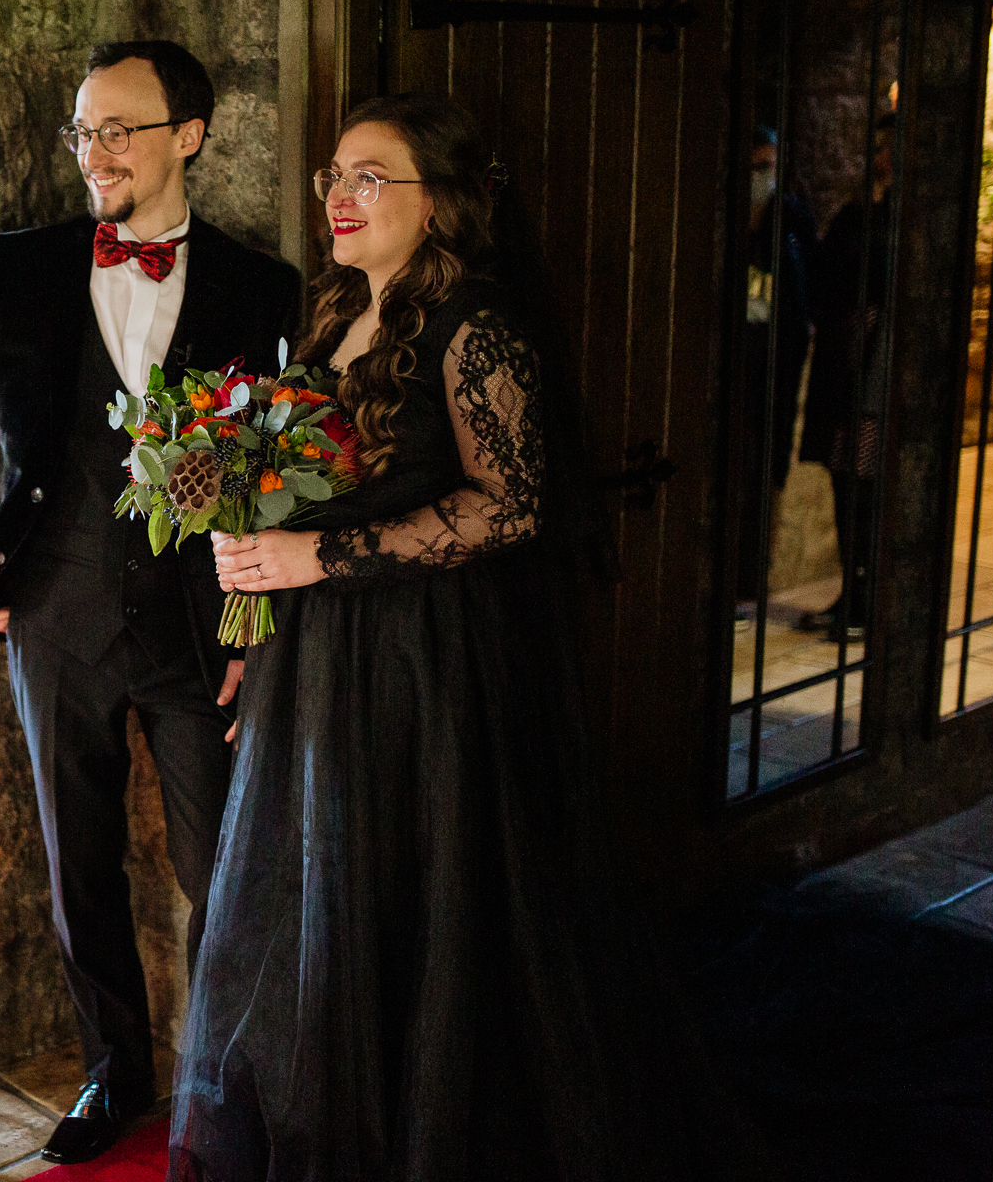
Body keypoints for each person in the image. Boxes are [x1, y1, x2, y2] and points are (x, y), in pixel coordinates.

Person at [166, 94, 757, 1181]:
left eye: (368, 177)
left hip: (426, 667)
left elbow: (512, 504)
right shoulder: (334, 315)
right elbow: (299, 494)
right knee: (322, 902)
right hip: (319, 662)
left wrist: (315, 562)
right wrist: (261, 608)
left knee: (421, 902)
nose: (339, 197)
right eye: (332, 176)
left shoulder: (477, 325)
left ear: (436, 203)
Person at [0, 40, 301, 1164]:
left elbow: (278, 472)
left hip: (196, 628)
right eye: (85, 129)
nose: (97, 151)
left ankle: (229, 1081)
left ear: (190, 135)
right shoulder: (18, 269)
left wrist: (254, 627)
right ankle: (116, 1075)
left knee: (223, 864)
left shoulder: (265, 288)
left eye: (121, 127)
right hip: (55, 614)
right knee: (78, 864)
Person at [795, 112, 895, 643]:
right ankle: (850, 596)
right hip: (845, 362)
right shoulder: (861, 215)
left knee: (864, 486)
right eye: (881, 146)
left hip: (871, 370)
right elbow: (827, 269)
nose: (882, 155)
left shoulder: (902, 223)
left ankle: (867, 601)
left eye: (891, 148)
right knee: (842, 481)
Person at [736, 126, 816, 622]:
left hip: (775, 360)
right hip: (741, 358)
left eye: (770, 167)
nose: (763, 178)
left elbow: (806, 285)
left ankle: (751, 578)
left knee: (765, 470)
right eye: (756, 167)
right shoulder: (735, 218)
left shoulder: (790, 216)